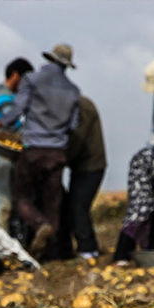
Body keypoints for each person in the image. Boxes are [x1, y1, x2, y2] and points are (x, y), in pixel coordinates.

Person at [0, 43, 80, 259]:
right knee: (53, 204)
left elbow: (17, 110)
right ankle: (48, 256)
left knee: (22, 197)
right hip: (58, 152)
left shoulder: (32, 80)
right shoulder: (73, 91)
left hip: (33, 149)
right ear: (67, 65)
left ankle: (38, 225)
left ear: (50, 59)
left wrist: (0, 124)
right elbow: (73, 126)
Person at [0, 57, 34, 228]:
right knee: (2, 203)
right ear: (16, 75)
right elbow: (11, 121)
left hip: (2, 154)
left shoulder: (9, 94)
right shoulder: (4, 95)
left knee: (6, 200)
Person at [58, 95, 107, 260]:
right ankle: (84, 247)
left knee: (78, 206)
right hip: (82, 166)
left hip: (90, 166)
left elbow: (77, 140)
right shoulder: (75, 104)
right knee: (74, 205)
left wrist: (60, 158)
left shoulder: (81, 107)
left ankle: (87, 250)